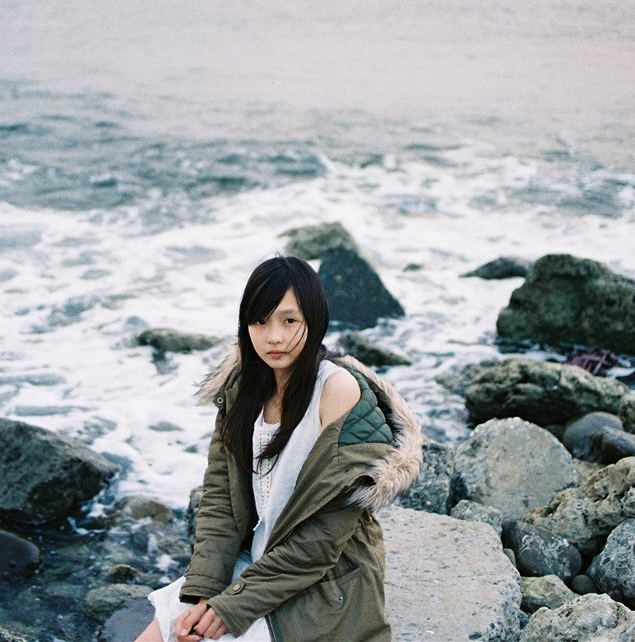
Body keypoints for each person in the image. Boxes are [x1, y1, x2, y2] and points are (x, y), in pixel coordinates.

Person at [135, 255, 423, 642]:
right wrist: (204, 592)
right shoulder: (242, 389)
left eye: (289, 321)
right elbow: (220, 503)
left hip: (326, 581)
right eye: (260, 321)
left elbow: (320, 542)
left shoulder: (336, 391)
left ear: (314, 320)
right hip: (257, 563)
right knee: (169, 628)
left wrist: (230, 607)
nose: (273, 337)